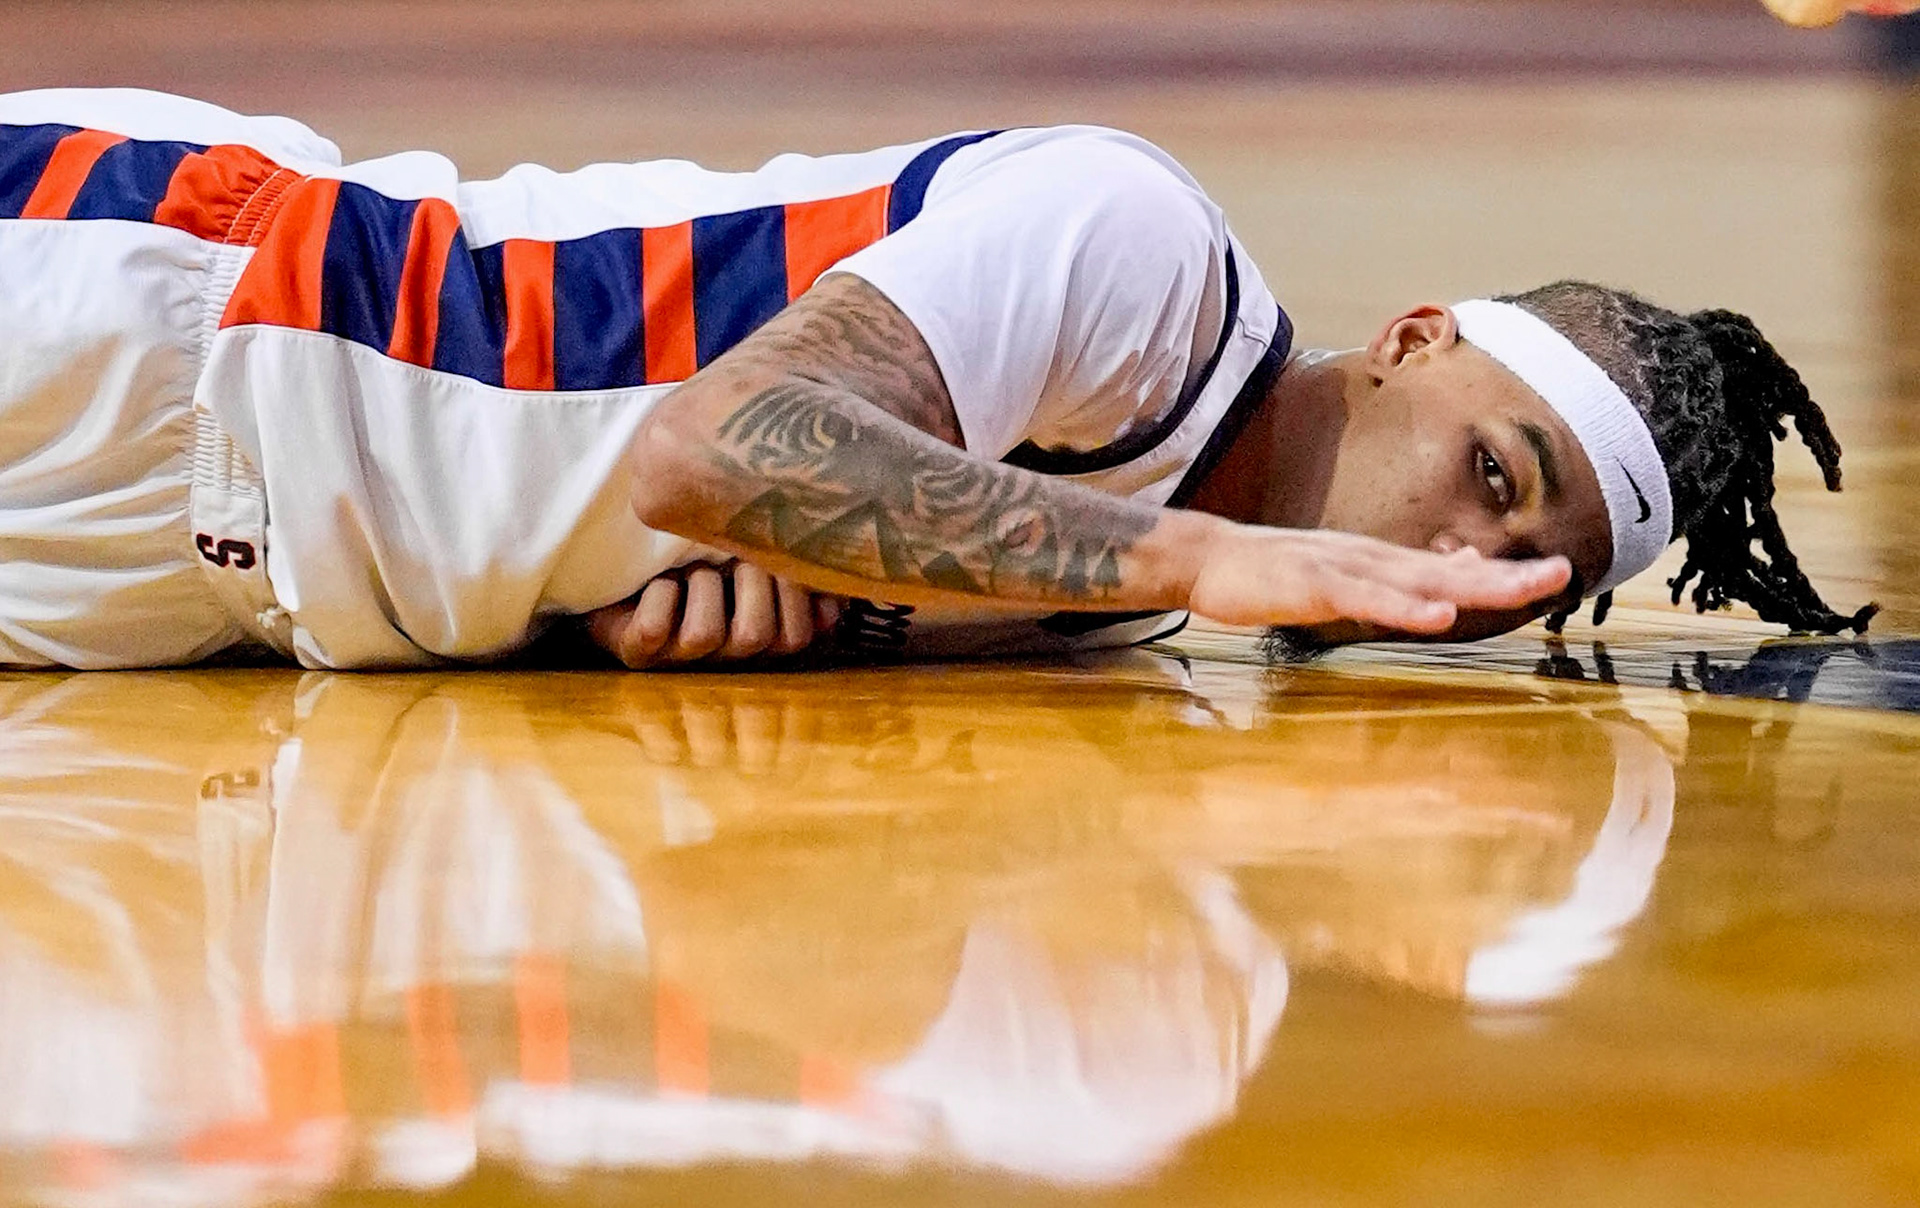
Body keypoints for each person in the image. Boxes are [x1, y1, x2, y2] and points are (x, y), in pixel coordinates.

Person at [0, 88, 1870, 671]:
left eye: (1516, 580)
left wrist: (681, 620)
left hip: (224, 594)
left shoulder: (1105, 614)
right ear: (1411, 340)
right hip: (181, 313)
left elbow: (685, 539)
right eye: (1493, 478)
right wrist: (1205, 559)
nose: (1457, 569)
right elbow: (714, 447)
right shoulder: (1142, 245)